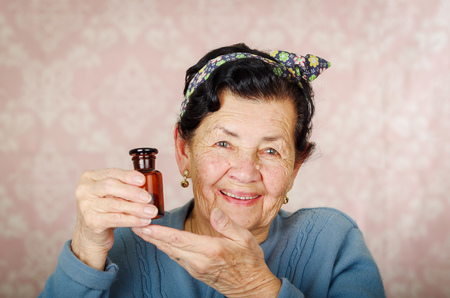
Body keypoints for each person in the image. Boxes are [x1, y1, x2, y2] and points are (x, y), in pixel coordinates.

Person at [39, 43, 385, 297]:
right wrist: (86, 253)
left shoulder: (332, 241)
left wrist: (256, 288)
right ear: (183, 151)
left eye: (270, 150)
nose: (245, 172)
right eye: (223, 144)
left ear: (295, 166)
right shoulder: (123, 247)